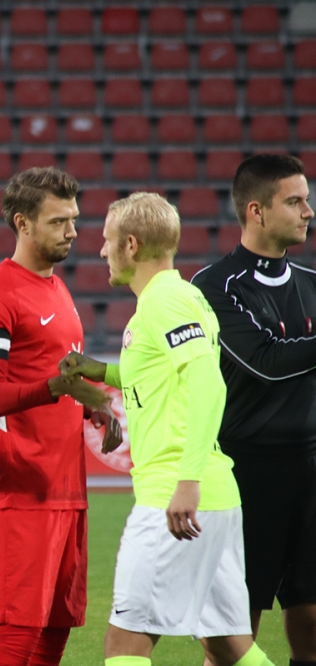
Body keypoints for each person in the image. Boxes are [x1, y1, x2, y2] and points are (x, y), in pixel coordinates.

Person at [61, 192, 277, 666]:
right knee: (227, 645)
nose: (101, 250)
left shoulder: (164, 302)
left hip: (174, 497)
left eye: (108, 240)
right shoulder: (182, 295)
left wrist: (187, 480)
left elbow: (207, 383)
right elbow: (163, 376)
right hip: (214, 499)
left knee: (125, 643)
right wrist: (103, 372)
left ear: (131, 245)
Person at [0, 166, 120, 666]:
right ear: (22, 223)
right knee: (20, 630)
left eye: (73, 219)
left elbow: (56, 372)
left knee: (57, 626)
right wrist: (57, 388)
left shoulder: (57, 290)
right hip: (23, 487)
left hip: (66, 484)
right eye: (58, 221)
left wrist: (93, 405)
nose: (72, 231)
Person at [191, 154, 316, 666]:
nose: (308, 211)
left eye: (306, 200)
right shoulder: (213, 287)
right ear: (256, 211)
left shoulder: (311, 283)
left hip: (310, 468)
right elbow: (265, 362)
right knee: (234, 631)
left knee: (312, 619)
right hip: (246, 473)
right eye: (295, 201)